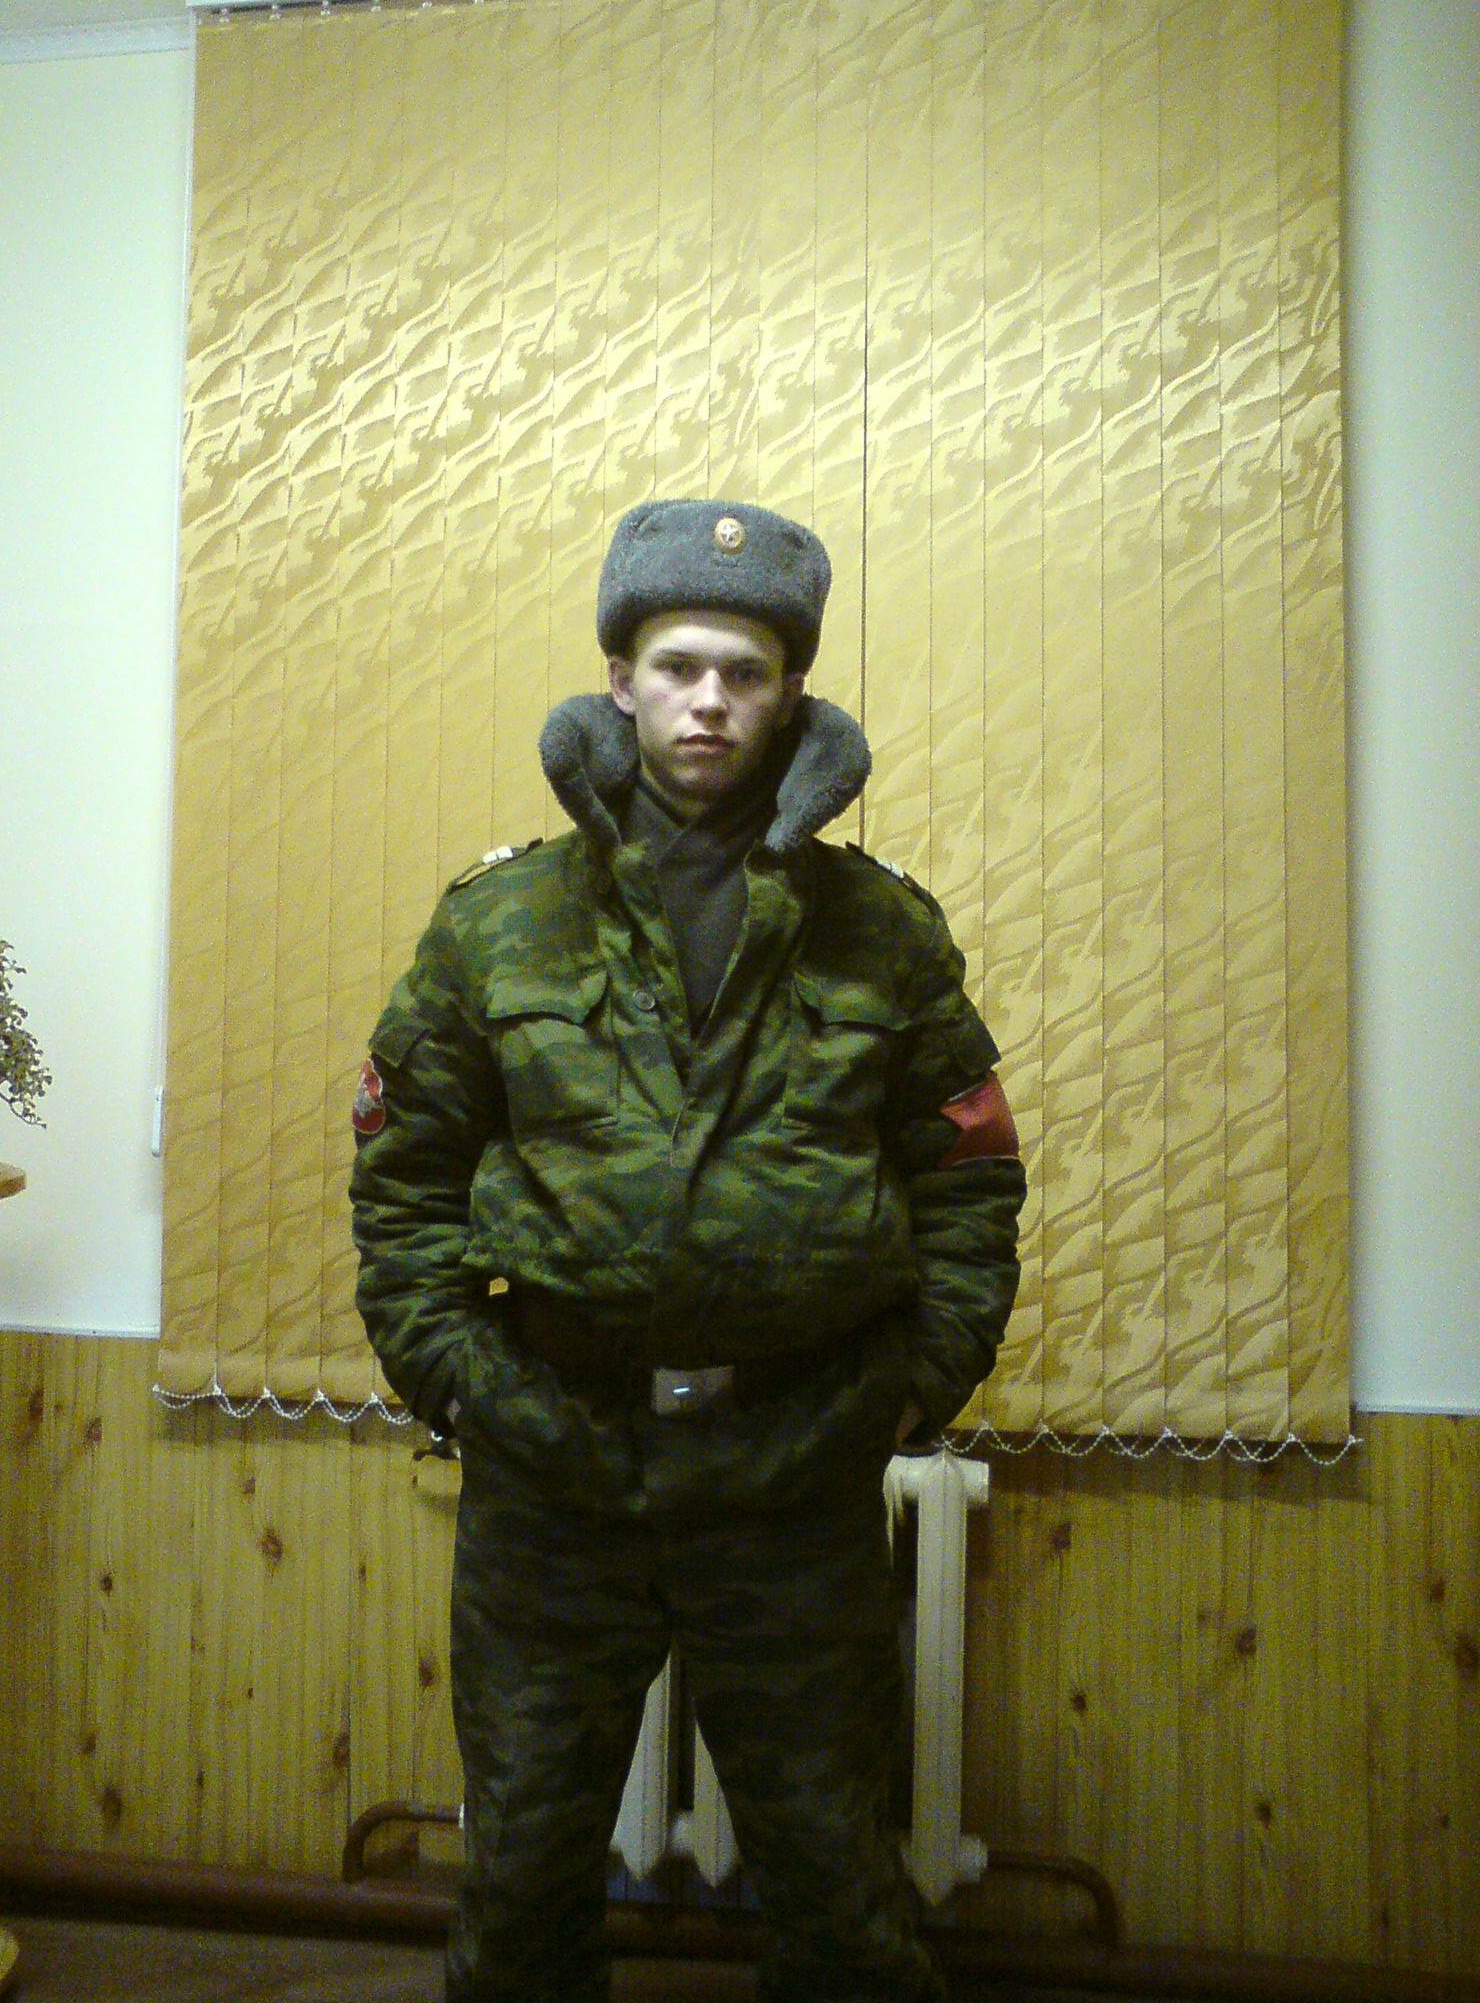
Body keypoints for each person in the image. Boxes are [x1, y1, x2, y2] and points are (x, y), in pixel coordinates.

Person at [349, 498, 1026, 2003]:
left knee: (840, 1888)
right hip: (554, 1469)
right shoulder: (501, 925)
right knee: (521, 1882)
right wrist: (459, 1383)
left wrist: (910, 1389)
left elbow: (971, 1177)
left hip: (793, 1473)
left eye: (743, 671)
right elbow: (404, 1177)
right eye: (676, 666)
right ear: (621, 681)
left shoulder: (879, 931)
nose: (708, 699)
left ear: (790, 694)